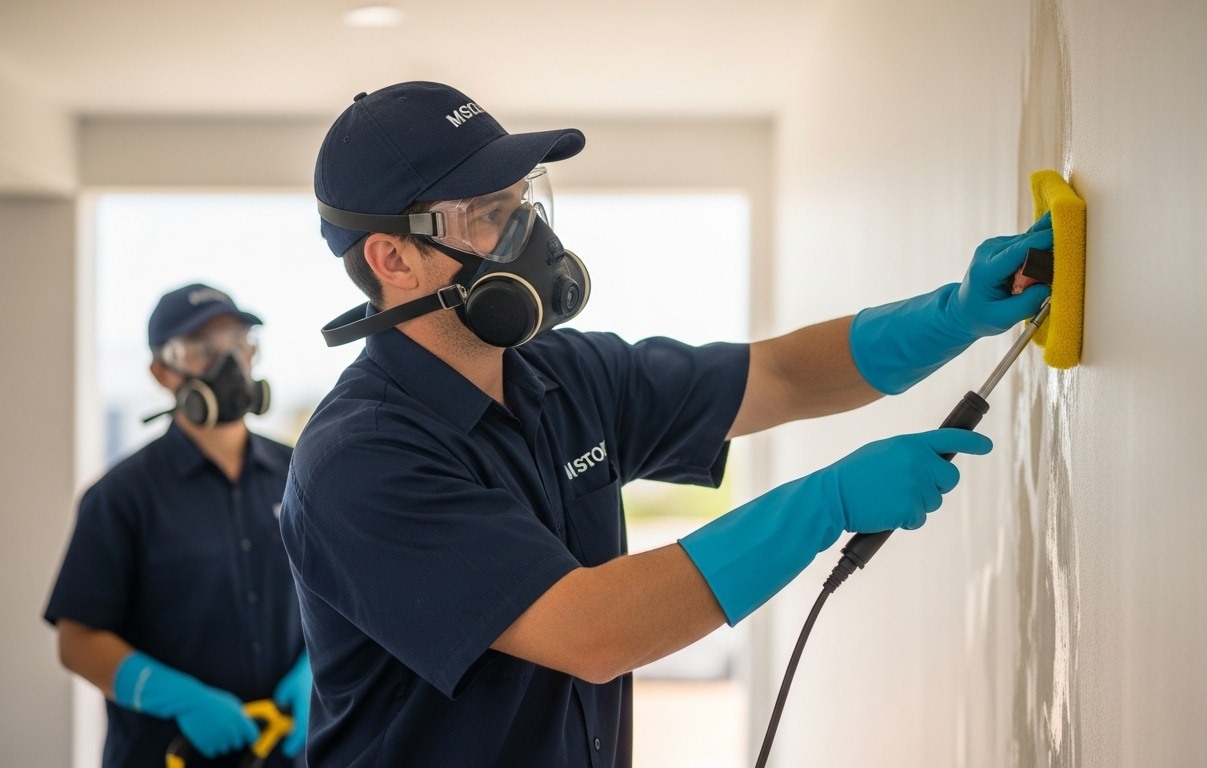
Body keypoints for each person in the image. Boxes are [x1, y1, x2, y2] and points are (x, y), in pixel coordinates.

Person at [283, 81, 1053, 766]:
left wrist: (954, 315)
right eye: (488, 216)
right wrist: (827, 503)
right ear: (392, 258)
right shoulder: (359, 462)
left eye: (521, 202)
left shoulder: (567, 374)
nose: (526, 238)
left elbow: (777, 377)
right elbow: (591, 631)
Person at [44, 284, 311, 767]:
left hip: (288, 749)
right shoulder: (120, 497)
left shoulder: (304, 472)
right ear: (162, 371)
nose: (228, 363)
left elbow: (341, 592)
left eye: (237, 343)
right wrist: (180, 698)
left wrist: (314, 669)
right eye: (202, 350)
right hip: (166, 753)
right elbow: (77, 641)